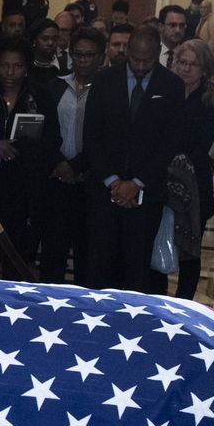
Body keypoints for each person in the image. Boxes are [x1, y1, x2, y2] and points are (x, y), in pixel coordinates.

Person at [76, 27, 180, 293]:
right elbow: (92, 136)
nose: (141, 66)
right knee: (99, 266)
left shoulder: (171, 86)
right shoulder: (105, 80)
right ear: (128, 53)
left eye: (147, 60)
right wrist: (114, 182)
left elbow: (169, 143)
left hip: (146, 194)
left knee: (137, 270)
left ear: (158, 54)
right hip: (103, 191)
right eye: (136, 59)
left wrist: (136, 183)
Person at [0, 40, 61, 276]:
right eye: (5, 65)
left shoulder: (40, 96)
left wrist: (24, 148)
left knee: (16, 249)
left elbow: (53, 140)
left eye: (17, 66)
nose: (10, 72)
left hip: (24, 185)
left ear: (27, 67)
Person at [38, 28, 102, 282]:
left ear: (100, 56)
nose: (83, 60)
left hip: (90, 179)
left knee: (87, 252)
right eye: (78, 54)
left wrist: (77, 166)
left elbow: (105, 138)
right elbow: (45, 131)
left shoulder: (107, 89)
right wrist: (59, 163)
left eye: (89, 55)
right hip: (57, 178)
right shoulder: (55, 87)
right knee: (54, 249)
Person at [168, 38, 214, 300]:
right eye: (182, 62)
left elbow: (203, 143)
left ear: (204, 69)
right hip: (161, 176)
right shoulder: (164, 90)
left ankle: (184, 300)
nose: (186, 69)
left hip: (195, 179)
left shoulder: (213, 98)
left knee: (190, 248)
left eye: (193, 64)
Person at [156, 3, 188, 67]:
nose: (178, 30)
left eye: (182, 25)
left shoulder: (188, 55)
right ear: (161, 26)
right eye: (173, 25)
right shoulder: (151, 52)